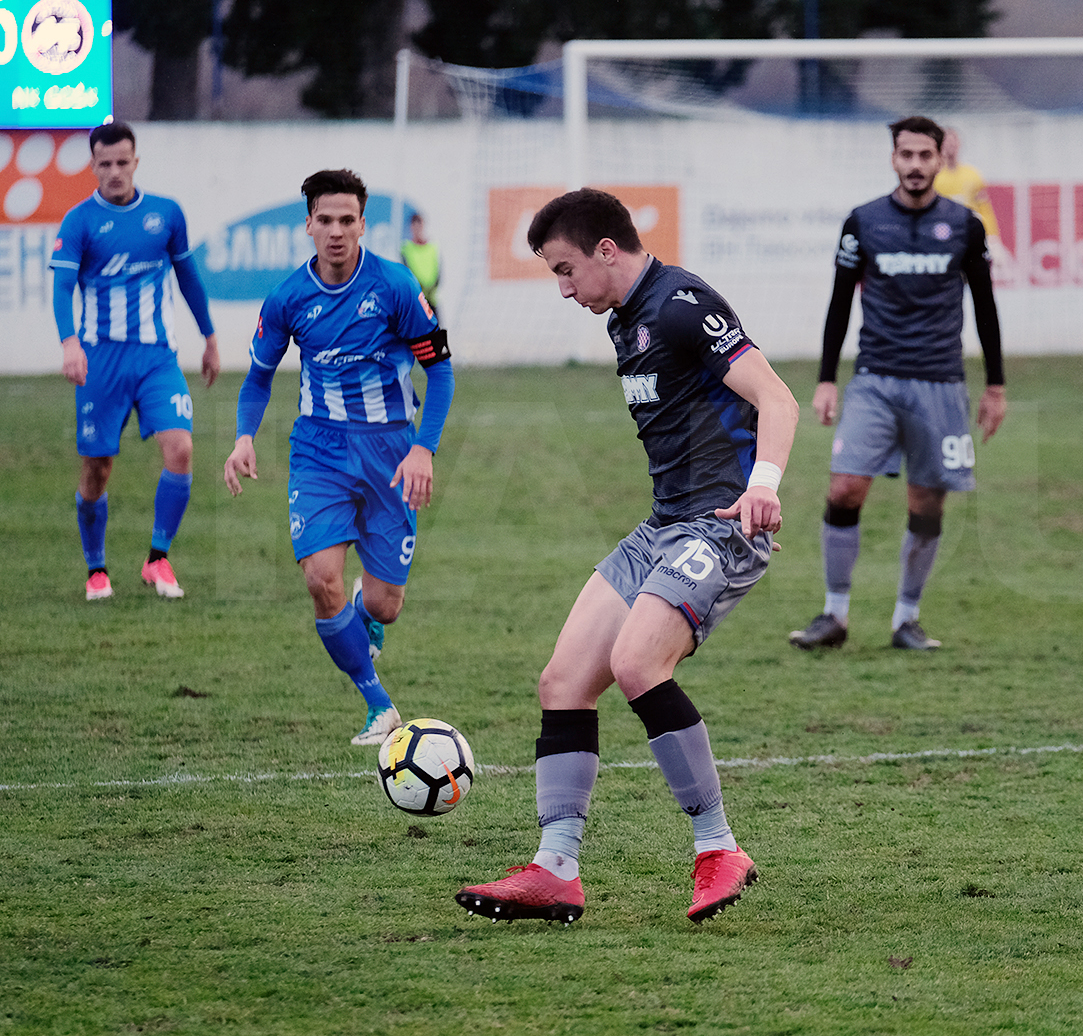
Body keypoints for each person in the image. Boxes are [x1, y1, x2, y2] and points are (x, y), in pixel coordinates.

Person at [455, 188, 798, 926]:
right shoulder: (623, 320)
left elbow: (778, 399)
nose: (564, 288)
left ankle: (719, 848)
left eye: (567, 269)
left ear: (608, 251)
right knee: (564, 680)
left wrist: (762, 486)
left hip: (722, 528)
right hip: (662, 527)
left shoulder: (680, 302)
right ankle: (555, 870)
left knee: (640, 664)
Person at [223, 169, 456, 745]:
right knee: (320, 579)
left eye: (346, 220)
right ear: (307, 224)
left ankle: (366, 611)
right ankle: (379, 705)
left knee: (385, 604)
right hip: (319, 451)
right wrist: (244, 436)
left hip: (391, 453)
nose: (335, 231)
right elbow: (257, 378)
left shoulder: (397, 287)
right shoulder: (286, 298)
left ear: (362, 224)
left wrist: (424, 448)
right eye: (324, 220)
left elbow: (441, 370)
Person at [789, 115, 1005, 653]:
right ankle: (833, 615)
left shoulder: (965, 225)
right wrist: (824, 380)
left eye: (924, 156)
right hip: (875, 379)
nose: (914, 165)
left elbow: (986, 306)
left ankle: (906, 620)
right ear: (893, 159)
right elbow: (840, 302)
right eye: (905, 155)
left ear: (939, 159)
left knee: (927, 502)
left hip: (940, 382)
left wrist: (996, 386)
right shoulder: (863, 222)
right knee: (844, 486)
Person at [51, 120, 220, 602]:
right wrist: (70, 343)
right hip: (100, 360)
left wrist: (209, 337)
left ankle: (158, 559)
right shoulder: (80, 221)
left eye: (123, 162)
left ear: (136, 162)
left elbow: (189, 279)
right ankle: (96, 568)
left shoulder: (166, 214)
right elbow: (63, 287)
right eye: (105, 164)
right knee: (96, 470)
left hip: (156, 359)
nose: (115, 172)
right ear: (93, 167)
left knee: (181, 449)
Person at [931, 127, 999, 238]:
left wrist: (991, 233)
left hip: (969, 230)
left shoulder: (973, 175)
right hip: (943, 231)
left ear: (959, 144)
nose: (951, 146)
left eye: (953, 142)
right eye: (947, 142)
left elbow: (984, 207)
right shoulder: (933, 176)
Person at [400, 212, 442, 321]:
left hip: (431, 298)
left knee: (436, 331)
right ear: (411, 227)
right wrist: (419, 289)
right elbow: (406, 271)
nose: (417, 229)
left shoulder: (432, 247)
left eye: (420, 225)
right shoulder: (406, 248)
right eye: (414, 226)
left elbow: (438, 271)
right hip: (416, 299)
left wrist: (431, 288)